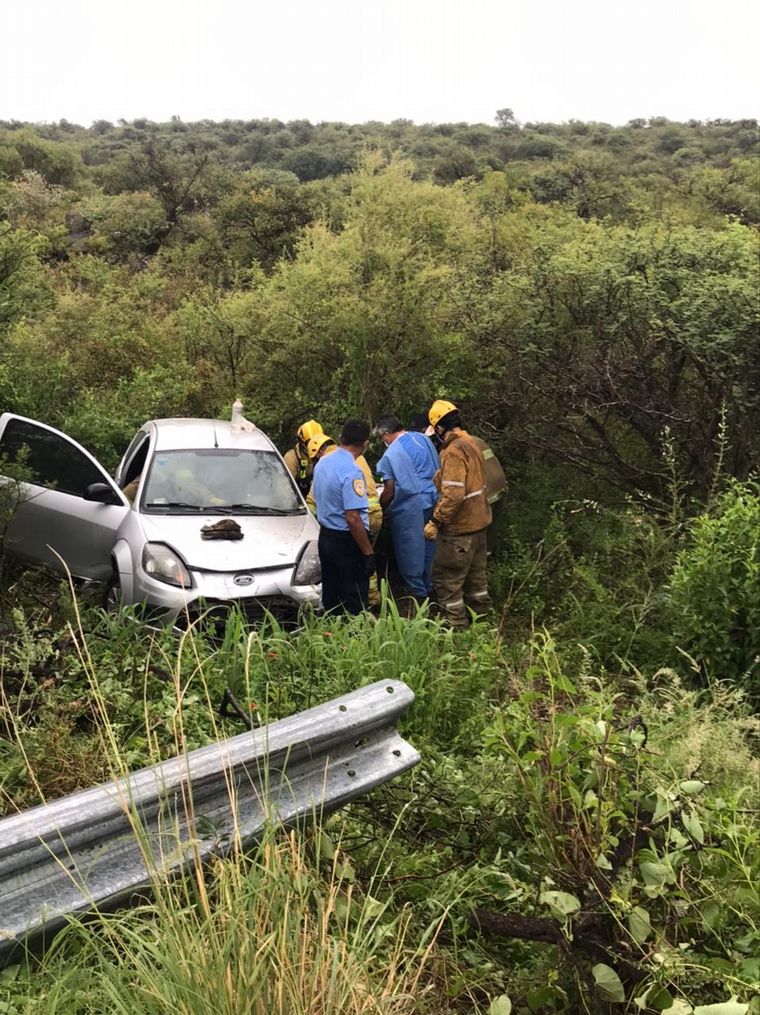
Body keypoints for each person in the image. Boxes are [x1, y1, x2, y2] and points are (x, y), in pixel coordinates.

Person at [423, 399, 492, 628]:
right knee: (477, 580)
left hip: (459, 530)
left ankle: (457, 628)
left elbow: (454, 495)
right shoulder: (471, 442)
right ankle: (481, 623)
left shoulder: (452, 451)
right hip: (480, 524)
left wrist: (435, 521)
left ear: (440, 427)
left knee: (447, 580)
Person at [311, 419, 375, 615]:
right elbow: (353, 518)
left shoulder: (322, 462)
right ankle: (355, 639)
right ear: (365, 444)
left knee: (331, 596)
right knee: (353, 599)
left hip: (326, 538)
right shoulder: (353, 472)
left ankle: (331, 637)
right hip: (347, 543)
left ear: (340, 438)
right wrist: (368, 552)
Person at [374, 414, 439, 600]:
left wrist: (382, 507)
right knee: (430, 542)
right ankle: (430, 585)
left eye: (382, 438)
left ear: (386, 435)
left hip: (411, 505)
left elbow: (389, 490)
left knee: (410, 548)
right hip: (434, 497)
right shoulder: (422, 439)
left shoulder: (391, 455)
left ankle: (417, 594)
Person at [471, 436, 507, 554]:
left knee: (475, 532)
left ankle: (478, 559)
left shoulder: (455, 447)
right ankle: (486, 557)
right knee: (489, 529)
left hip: (486, 490)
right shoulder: (476, 440)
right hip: (498, 487)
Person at [283, 420, 323, 497]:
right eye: (310, 442)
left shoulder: (325, 456)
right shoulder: (292, 457)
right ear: (301, 441)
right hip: (298, 501)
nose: (314, 445)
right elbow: (284, 487)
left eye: (317, 442)